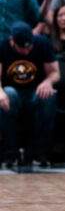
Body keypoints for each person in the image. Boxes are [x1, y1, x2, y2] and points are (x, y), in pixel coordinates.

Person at [0, 22, 60, 166]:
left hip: (35, 92)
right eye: (22, 48)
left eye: (29, 47)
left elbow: (55, 73)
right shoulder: (2, 46)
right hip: (12, 93)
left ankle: (40, 154)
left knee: (49, 94)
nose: (26, 52)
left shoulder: (42, 43)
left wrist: (47, 82)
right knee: (7, 94)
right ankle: (11, 154)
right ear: (12, 41)